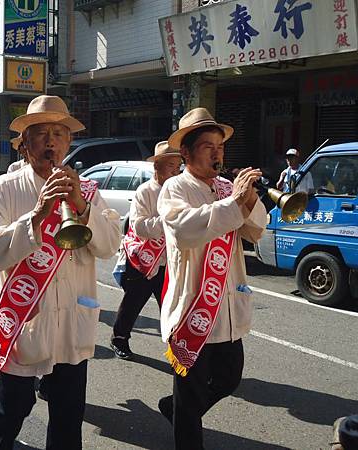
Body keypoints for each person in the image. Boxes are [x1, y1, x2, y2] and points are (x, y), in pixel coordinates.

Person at [0, 95, 121, 450]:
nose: (51, 141)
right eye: (41, 133)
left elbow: (109, 245)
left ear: (69, 143)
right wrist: (37, 217)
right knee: (13, 407)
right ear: (25, 145)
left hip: (73, 320)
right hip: (24, 316)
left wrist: (83, 208)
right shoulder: (4, 188)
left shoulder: (86, 190)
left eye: (59, 133)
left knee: (68, 416)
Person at [156, 108, 268, 450]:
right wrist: (235, 202)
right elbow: (186, 230)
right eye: (207, 146)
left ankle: (175, 409)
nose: (217, 153)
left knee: (229, 379)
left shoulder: (225, 187)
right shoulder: (174, 188)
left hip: (228, 311)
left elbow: (255, 232)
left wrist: (250, 198)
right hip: (193, 310)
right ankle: (184, 421)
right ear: (186, 153)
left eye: (220, 146)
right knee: (190, 399)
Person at [110, 141, 181, 359]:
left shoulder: (180, 190)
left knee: (171, 307)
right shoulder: (145, 191)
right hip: (142, 258)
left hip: (169, 260)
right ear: (157, 166)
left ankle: (178, 350)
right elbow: (139, 226)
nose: (176, 171)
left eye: (179, 166)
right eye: (171, 165)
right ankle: (119, 338)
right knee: (133, 303)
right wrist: (170, 221)